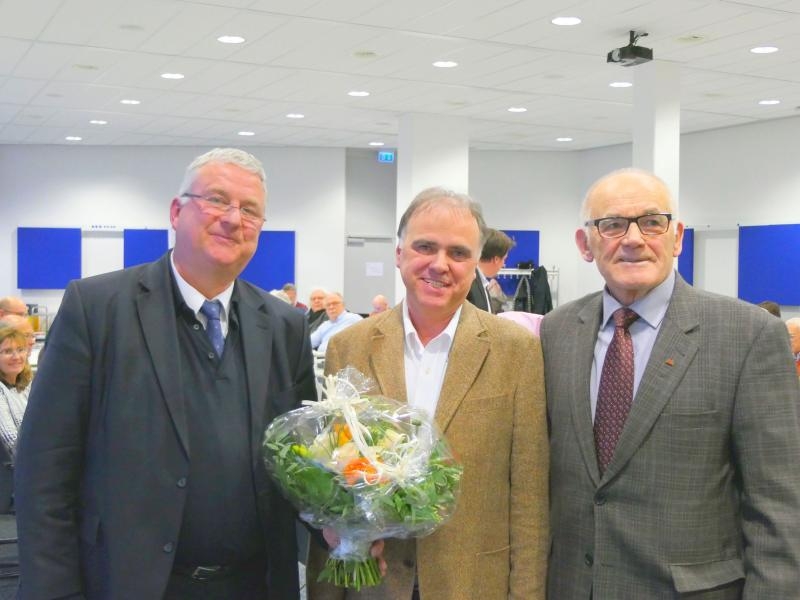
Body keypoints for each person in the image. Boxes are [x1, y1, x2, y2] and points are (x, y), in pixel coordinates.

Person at [15, 148, 316, 599]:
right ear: (176, 212)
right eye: (217, 200)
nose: (234, 219)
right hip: (127, 584)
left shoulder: (283, 326)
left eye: (250, 210)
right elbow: (44, 470)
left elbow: (301, 462)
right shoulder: (96, 310)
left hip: (255, 585)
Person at [541, 168, 800, 599]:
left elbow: (779, 508)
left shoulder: (747, 335)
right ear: (585, 244)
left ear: (677, 237)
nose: (633, 238)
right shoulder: (557, 331)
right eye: (612, 224)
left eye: (651, 222)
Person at [306, 187, 549, 600]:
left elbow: (529, 493)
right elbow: (331, 477)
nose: (440, 265)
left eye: (458, 253)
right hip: (375, 582)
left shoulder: (516, 349)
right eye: (425, 247)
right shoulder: (349, 345)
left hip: (473, 583)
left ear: (475, 266)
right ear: (399, 253)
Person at [0, 326, 32, 513]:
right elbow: (11, 440)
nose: (16, 356)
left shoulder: (27, 383)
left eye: (20, 350)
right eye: (7, 351)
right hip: (12, 480)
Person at [465, 228, 514, 313]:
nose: (503, 264)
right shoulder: (469, 282)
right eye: (504, 259)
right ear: (496, 259)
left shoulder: (481, 282)